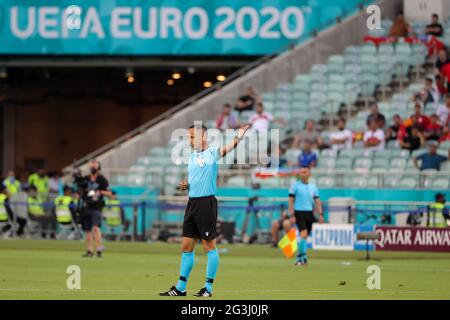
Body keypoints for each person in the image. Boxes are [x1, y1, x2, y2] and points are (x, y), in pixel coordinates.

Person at [159, 123, 249, 297]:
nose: (190, 141)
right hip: (192, 203)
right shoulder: (193, 156)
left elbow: (230, 147)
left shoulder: (212, 153)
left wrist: (238, 136)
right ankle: (180, 288)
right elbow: (196, 178)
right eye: (188, 137)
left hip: (206, 204)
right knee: (186, 246)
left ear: (204, 137)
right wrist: (187, 185)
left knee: (209, 246)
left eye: (192, 137)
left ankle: (208, 289)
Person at [73, 160, 112, 258]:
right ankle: (89, 250)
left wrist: (99, 192)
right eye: (91, 167)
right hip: (86, 206)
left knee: (95, 227)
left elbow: (109, 193)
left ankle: (98, 249)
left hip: (97, 207)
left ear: (98, 168)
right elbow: (80, 189)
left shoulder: (102, 179)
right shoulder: (86, 179)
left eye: (94, 167)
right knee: (88, 230)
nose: (92, 168)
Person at [288, 167, 324, 266]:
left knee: (305, 236)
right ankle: (302, 258)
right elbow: (291, 201)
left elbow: (317, 201)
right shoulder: (295, 186)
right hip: (299, 212)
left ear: (309, 174)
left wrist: (320, 214)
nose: (302, 174)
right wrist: (291, 215)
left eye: (305, 172)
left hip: (309, 213)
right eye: (301, 172)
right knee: (303, 234)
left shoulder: (313, 187)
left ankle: (301, 258)